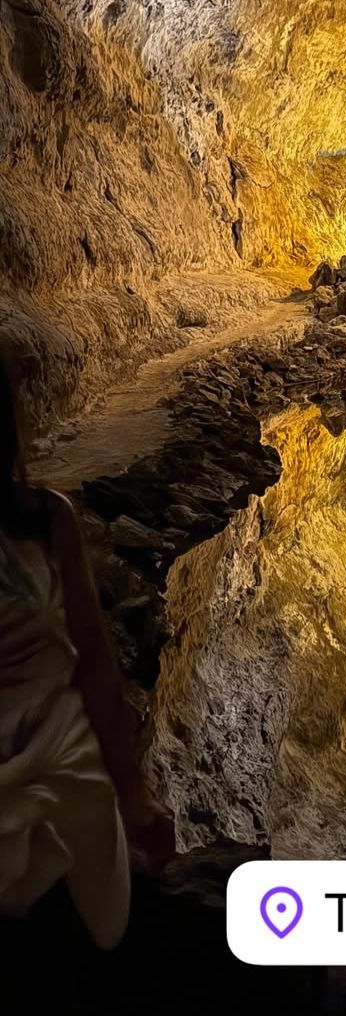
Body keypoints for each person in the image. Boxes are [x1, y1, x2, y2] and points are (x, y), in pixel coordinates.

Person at [0, 356, 174, 948]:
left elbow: (96, 662)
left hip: (57, 766)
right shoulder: (40, 519)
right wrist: (135, 800)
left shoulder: (45, 518)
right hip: (63, 775)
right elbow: (95, 665)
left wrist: (134, 797)